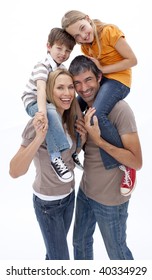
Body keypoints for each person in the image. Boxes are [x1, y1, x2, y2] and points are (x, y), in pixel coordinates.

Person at [68, 55, 142, 260]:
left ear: (99, 77)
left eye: (88, 79)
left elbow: (136, 161)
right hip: (86, 191)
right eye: (77, 83)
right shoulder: (81, 109)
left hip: (111, 200)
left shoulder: (120, 110)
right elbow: (85, 153)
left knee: (117, 254)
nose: (84, 88)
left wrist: (99, 140)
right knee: (80, 244)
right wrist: (82, 139)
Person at [10, 68, 86, 260]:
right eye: (60, 87)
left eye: (70, 87)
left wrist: (82, 141)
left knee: (53, 256)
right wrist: (39, 138)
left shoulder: (69, 118)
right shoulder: (38, 123)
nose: (67, 93)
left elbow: (69, 157)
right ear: (50, 91)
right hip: (48, 204)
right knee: (61, 260)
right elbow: (14, 171)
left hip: (69, 197)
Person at [61, 10, 137, 195]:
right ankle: (74, 151)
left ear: (88, 19)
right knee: (74, 108)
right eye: (76, 36)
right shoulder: (85, 47)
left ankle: (126, 164)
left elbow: (132, 60)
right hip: (103, 81)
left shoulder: (109, 32)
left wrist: (103, 68)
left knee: (97, 112)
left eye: (82, 28)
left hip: (119, 81)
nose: (82, 36)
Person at [21, 27, 83, 184]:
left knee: (74, 110)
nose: (63, 53)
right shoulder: (42, 66)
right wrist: (43, 113)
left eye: (68, 50)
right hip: (33, 101)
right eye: (59, 48)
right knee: (51, 112)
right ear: (48, 46)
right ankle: (56, 157)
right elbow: (41, 89)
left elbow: (66, 89)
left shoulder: (62, 68)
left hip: (48, 101)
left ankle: (73, 153)